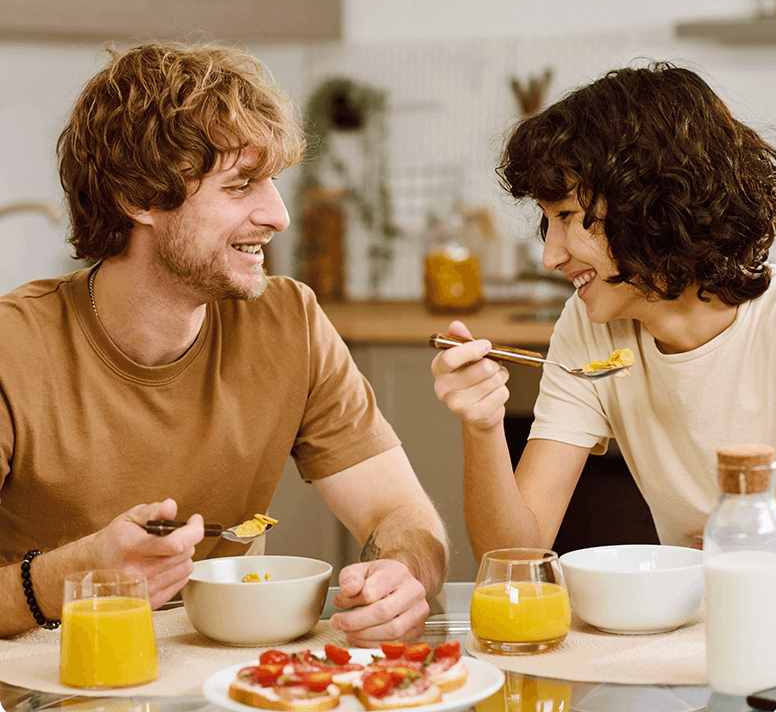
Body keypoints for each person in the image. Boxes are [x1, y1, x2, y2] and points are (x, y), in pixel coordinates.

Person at [0, 41, 448, 641]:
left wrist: (403, 571)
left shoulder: (290, 322)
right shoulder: (12, 347)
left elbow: (402, 513)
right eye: (241, 185)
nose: (278, 215)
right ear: (138, 198)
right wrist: (70, 578)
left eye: (272, 181)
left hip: (228, 676)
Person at [431, 62, 776, 560]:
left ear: (651, 206)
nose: (550, 256)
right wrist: (482, 425)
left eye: (568, 216)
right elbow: (514, 556)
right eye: (548, 221)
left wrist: (746, 555)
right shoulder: (590, 328)